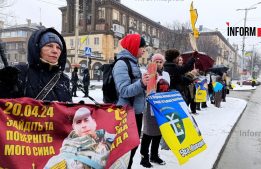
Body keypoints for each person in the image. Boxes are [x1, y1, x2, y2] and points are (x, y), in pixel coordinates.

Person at [0, 27, 72, 102]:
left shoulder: (63, 79)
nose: (55, 51)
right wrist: (4, 85)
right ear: (38, 48)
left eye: (58, 48)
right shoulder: (20, 72)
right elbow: (5, 106)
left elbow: (68, 110)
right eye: (49, 46)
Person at [112, 34, 149, 169]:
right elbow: (123, 90)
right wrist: (142, 83)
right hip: (126, 115)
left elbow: (138, 89)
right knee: (125, 152)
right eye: (142, 47)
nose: (144, 50)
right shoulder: (122, 63)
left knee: (132, 149)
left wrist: (146, 84)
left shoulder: (134, 63)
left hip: (136, 113)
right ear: (134, 47)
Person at [44, 107, 116, 169]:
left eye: (86, 120)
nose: (83, 125)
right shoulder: (61, 157)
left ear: (94, 122)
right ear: (73, 127)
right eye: (78, 122)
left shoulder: (113, 139)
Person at [140, 54, 169, 168]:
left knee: (158, 133)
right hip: (149, 107)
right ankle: (144, 157)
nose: (158, 63)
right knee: (148, 133)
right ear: (152, 62)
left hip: (161, 107)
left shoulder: (166, 74)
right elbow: (144, 88)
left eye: (160, 61)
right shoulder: (146, 73)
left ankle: (154, 155)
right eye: (156, 61)